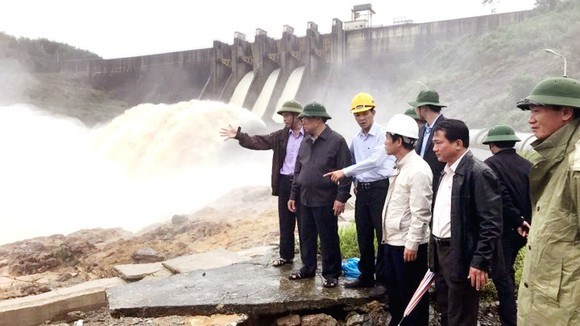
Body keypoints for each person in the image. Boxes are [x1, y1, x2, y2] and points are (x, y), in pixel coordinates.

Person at [515, 76, 580, 326]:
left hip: (564, 311)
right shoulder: (558, 158)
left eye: (537, 111)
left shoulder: (575, 165)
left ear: (565, 112)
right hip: (547, 305)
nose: (530, 119)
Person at [429, 119, 502, 326]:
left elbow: (491, 222)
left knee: (461, 315)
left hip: (461, 253)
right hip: (441, 251)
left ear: (458, 143)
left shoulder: (478, 173)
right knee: (446, 309)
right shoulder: (445, 172)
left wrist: (479, 261)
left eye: (438, 143)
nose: (434, 149)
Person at [324, 92, 395, 297]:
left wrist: (345, 172)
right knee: (363, 235)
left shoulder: (384, 135)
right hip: (362, 191)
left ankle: (382, 280)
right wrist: (352, 184)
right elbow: (353, 163)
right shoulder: (356, 139)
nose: (361, 118)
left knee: (382, 236)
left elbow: (375, 161)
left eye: (365, 113)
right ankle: (366, 276)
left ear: (373, 112)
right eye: (357, 115)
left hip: (380, 188)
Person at [220, 100, 304, 267]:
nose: (284, 118)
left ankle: (307, 260)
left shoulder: (309, 136)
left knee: (305, 222)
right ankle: (286, 256)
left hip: (303, 182)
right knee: (285, 221)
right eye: (283, 115)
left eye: (287, 115)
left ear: (297, 116)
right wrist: (239, 136)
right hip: (285, 182)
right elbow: (259, 141)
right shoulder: (281, 135)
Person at [287, 102, 352, 288]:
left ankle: (331, 273)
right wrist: (293, 195)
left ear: (318, 119)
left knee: (328, 236)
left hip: (325, 198)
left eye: (306, 118)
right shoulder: (305, 141)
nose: (302, 122)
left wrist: (341, 198)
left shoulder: (336, 141)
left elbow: (346, 172)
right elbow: (298, 170)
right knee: (306, 235)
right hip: (304, 198)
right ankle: (308, 268)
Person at [381, 114, 432, 326]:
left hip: (408, 247)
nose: (384, 142)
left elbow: (421, 212)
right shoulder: (401, 166)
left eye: (387, 137)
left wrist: (412, 244)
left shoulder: (418, 170)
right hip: (394, 241)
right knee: (395, 293)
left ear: (399, 141)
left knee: (412, 298)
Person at [481, 124, 532, 326]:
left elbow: (500, 196)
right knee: (509, 271)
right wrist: (525, 221)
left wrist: (516, 219)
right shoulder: (528, 165)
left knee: (502, 278)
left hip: (505, 229)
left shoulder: (489, 165)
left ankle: (509, 321)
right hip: (526, 228)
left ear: (493, 145)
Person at [408, 89, 447, 179]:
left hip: (438, 180)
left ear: (424, 108)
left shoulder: (446, 127)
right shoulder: (422, 130)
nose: (415, 110)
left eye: (417, 107)